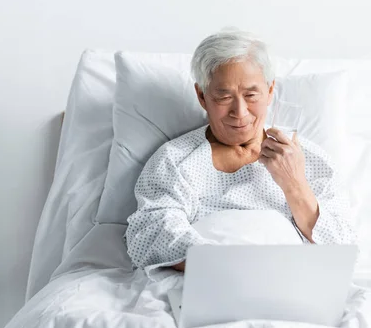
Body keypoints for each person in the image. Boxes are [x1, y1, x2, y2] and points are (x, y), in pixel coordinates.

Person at [125, 28, 356, 277]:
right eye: (224, 97)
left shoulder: (309, 159)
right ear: (202, 97)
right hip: (212, 279)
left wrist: (294, 184)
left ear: (269, 92)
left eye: (251, 95)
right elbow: (148, 234)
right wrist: (232, 267)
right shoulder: (175, 160)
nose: (240, 111)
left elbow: (342, 248)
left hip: (289, 280)